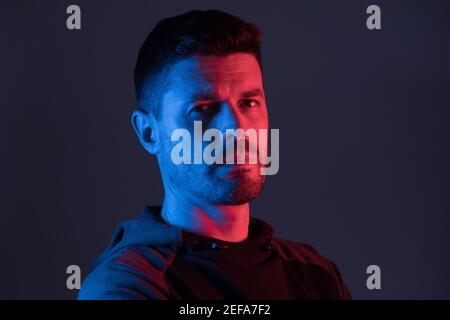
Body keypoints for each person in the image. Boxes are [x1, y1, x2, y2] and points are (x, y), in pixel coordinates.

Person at [78, 9, 351, 300]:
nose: (237, 129)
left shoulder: (315, 274)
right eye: (203, 108)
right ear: (149, 133)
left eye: (248, 102)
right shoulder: (125, 287)